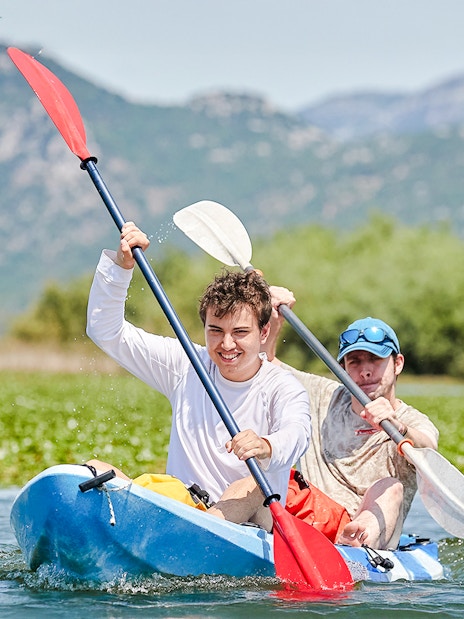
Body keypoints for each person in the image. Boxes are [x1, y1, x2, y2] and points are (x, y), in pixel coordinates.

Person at [85, 222, 311, 532]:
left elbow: (297, 434)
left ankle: (200, 530)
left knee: (249, 486)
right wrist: (122, 268)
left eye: (241, 333)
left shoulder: (283, 387)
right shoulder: (187, 363)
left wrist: (266, 445)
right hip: (185, 508)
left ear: (264, 332)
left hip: (252, 522)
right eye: (215, 331)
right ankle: (175, 530)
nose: (226, 345)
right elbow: (106, 331)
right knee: (94, 471)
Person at [262, 287, 439, 549]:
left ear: (398, 363)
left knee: (391, 487)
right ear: (342, 368)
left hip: (370, 531)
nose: (365, 371)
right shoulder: (322, 394)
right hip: (315, 518)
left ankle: (353, 542)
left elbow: (428, 447)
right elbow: (264, 362)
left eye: (374, 360)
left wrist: (398, 427)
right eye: (354, 361)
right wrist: (274, 318)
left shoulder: (411, 420)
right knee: (271, 474)